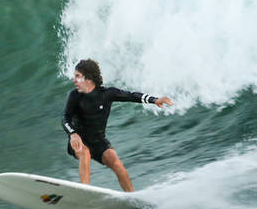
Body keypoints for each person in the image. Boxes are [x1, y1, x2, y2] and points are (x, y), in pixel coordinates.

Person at [62, 58, 173, 192]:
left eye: (78, 76)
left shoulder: (107, 94)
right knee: (84, 154)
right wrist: (73, 134)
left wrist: (155, 100)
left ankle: (132, 197)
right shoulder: (74, 96)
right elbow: (65, 118)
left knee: (117, 163)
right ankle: (86, 192)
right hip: (79, 140)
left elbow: (132, 96)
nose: (74, 80)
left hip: (98, 141)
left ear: (88, 78)